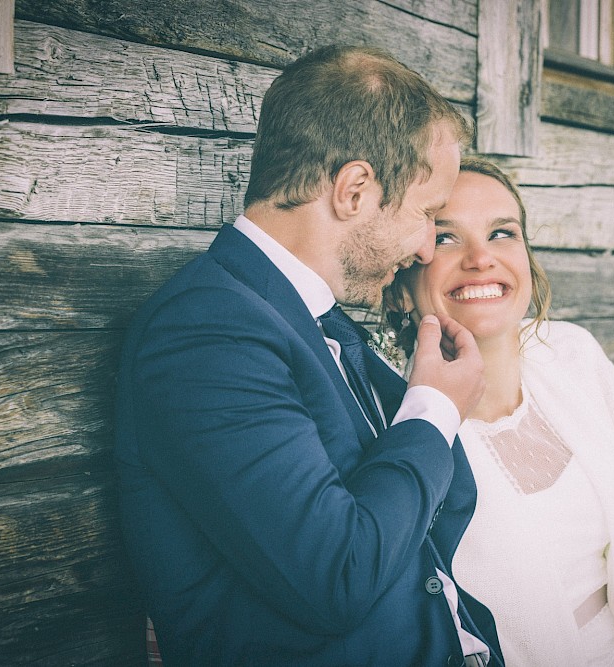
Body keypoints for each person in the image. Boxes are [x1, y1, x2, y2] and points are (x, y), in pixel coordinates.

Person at [114, 45, 504, 666]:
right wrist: (434, 408)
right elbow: (336, 577)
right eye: (427, 214)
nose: (428, 248)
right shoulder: (205, 333)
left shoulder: (314, 319)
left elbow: (432, 523)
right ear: (354, 190)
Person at [384, 156, 614, 666]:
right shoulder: (398, 422)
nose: (481, 258)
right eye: (447, 238)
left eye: (502, 232)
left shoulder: (573, 356)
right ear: (402, 284)